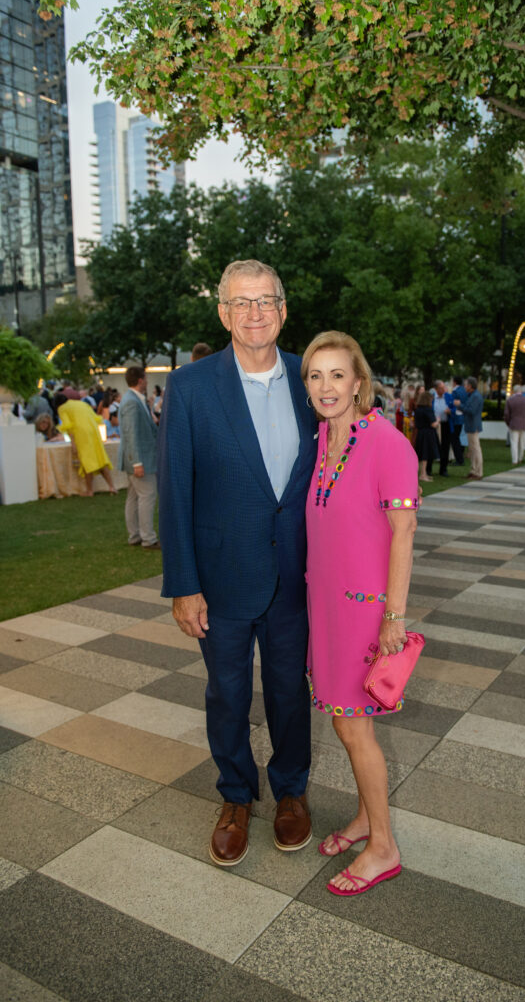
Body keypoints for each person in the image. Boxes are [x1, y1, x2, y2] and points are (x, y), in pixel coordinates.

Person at [158, 259, 318, 867]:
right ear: (223, 313)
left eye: (266, 301)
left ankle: (291, 792)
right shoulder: (192, 385)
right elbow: (176, 490)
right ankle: (234, 796)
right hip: (219, 578)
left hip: (296, 577)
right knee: (226, 694)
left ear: (283, 309)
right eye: (241, 303)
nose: (255, 314)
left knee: (287, 693)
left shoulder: (312, 378)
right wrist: (184, 583)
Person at [302, 330, 418, 896]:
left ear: (358, 381)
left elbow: (404, 531)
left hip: (364, 611)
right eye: (315, 376)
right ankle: (367, 819)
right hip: (324, 605)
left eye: (337, 375)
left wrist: (393, 617)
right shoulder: (324, 436)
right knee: (347, 726)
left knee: (354, 729)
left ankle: (384, 847)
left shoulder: (387, 442)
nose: (326, 386)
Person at [118, 366, 160, 550]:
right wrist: (137, 462)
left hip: (139, 458)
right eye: (146, 378)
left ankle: (135, 535)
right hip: (140, 459)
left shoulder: (135, 400)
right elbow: (131, 434)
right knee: (147, 496)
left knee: (134, 497)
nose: (148, 381)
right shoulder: (131, 402)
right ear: (140, 380)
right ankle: (148, 538)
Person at [54, 393, 118, 495]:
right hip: (94, 431)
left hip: (81, 434)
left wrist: (73, 443)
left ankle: (89, 490)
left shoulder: (62, 408)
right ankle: (112, 486)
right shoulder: (81, 403)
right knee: (101, 459)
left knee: (87, 462)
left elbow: (67, 426)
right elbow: (96, 418)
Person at [456, 376, 483, 480]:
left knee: (475, 449)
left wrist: (460, 405)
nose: (465, 387)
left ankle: (478, 471)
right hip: (470, 425)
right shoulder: (472, 395)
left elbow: (471, 410)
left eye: (466, 385)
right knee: (472, 449)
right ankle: (473, 469)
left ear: (470, 386)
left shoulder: (475, 396)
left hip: (473, 425)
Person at [413, 389, 439, 482]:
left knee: (422, 453)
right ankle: (423, 474)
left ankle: (423, 473)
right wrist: (438, 420)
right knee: (426, 454)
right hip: (428, 433)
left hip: (420, 433)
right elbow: (433, 424)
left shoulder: (418, 409)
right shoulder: (428, 410)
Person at [504, 384, 525, 465]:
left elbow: (506, 414)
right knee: (522, 442)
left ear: (514, 391)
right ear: (521, 391)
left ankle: (515, 460)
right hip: (524, 424)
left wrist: (508, 422)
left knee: (514, 442)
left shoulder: (510, 400)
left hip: (513, 424)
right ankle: (520, 458)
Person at [432, 380, 451, 476]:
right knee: (433, 445)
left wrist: (450, 411)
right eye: (441, 388)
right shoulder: (432, 398)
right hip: (434, 424)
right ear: (436, 389)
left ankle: (443, 469)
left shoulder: (448, 397)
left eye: (444, 387)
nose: (443, 389)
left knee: (445, 446)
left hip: (445, 424)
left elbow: (454, 409)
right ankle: (428, 469)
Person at [445, 376, 466, 466]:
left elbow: (452, 404)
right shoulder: (464, 390)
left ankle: (459, 459)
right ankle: (460, 457)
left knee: (454, 439)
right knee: (457, 438)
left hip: (456, 418)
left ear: (454, 382)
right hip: (462, 418)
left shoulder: (455, 392)